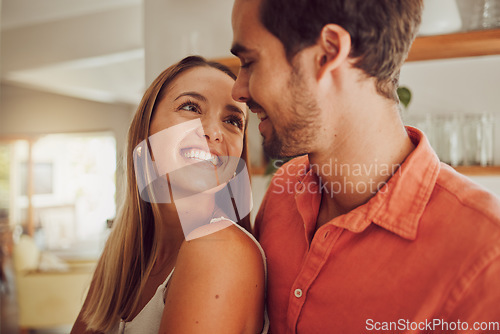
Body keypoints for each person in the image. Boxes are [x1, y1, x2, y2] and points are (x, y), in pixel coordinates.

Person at [230, 0, 500, 333]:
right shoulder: (282, 193)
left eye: (250, 62)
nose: (238, 90)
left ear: (329, 52)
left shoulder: (485, 254)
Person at [71, 56, 268, 334]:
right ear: (145, 130)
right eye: (191, 107)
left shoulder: (218, 248)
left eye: (233, 120)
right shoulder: (123, 255)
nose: (213, 132)